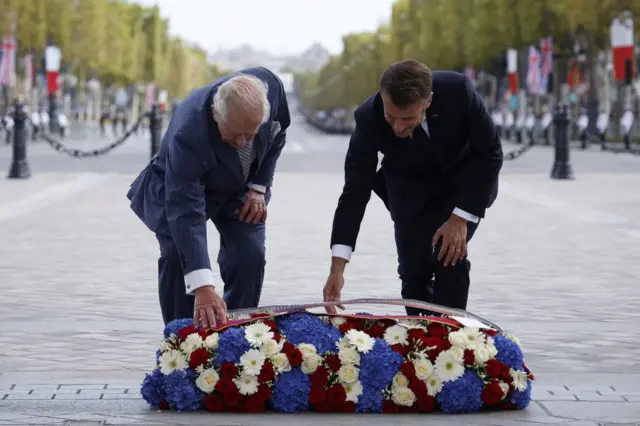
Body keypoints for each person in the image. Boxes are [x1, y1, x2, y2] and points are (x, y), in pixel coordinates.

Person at [323, 59, 503, 316]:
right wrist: (337, 268)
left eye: (407, 118)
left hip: (463, 184)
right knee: (413, 271)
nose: (397, 127)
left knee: (448, 257)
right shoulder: (368, 118)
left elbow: (490, 153)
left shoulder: (458, 91)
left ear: (427, 101)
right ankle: (421, 341)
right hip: (408, 188)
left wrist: (459, 218)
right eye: (390, 117)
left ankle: (453, 338)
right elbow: (354, 192)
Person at [127, 67, 290, 329]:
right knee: (177, 257)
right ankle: (183, 342)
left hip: (242, 185)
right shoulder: (188, 131)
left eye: (251, 134)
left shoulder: (273, 89)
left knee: (250, 256)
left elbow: (277, 135)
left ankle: (235, 334)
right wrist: (203, 288)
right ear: (216, 113)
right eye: (235, 134)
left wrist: (259, 186)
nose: (243, 142)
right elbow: (186, 210)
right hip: (183, 185)